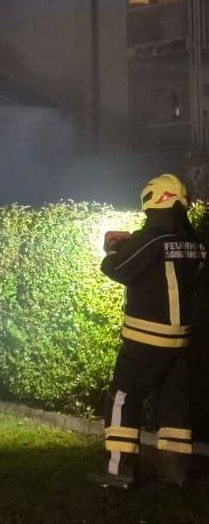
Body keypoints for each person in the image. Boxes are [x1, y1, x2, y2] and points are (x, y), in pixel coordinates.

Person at [96, 173, 207, 489]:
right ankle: (175, 472)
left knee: (122, 397)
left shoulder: (152, 239)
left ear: (152, 203)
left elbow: (118, 269)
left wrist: (114, 247)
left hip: (146, 338)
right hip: (181, 338)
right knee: (174, 403)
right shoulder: (196, 243)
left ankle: (118, 471)